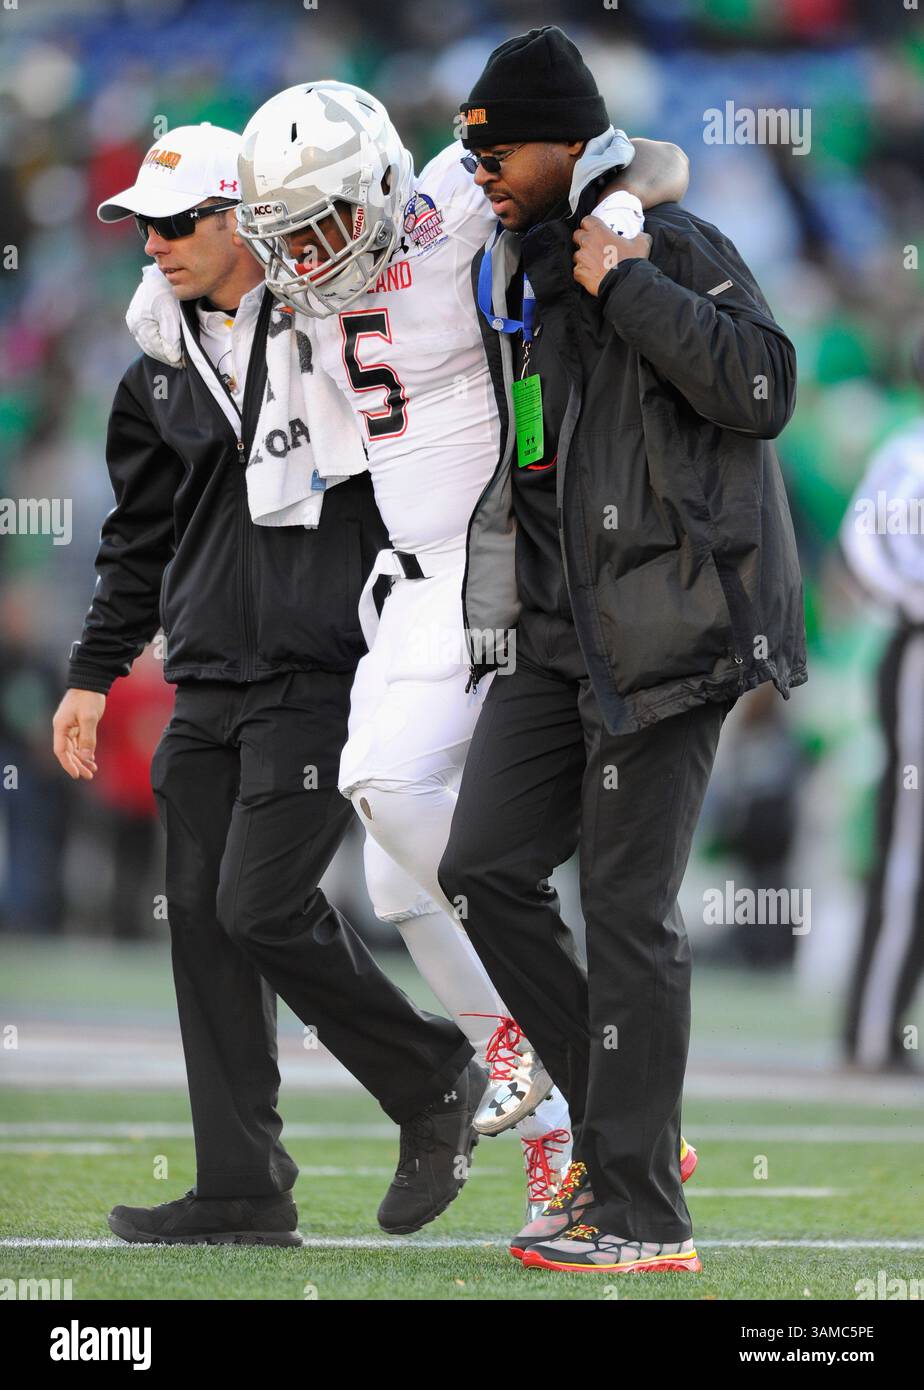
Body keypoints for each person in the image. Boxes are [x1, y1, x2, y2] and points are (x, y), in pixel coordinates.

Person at [231, 79, 696, 1220]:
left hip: (488, 565)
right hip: (404, 579)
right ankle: (566, 1129)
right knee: (396, 879)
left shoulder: (452, 199)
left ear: (384, 185)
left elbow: (654, 157)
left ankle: (557, 1048)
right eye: (288, 233)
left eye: (325, 223)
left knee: (388, 784)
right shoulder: (301, 282)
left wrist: (621, 208)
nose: (307, 254)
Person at [53, 121, 486, 1247]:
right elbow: (138, 538)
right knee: (204, 924)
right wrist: (95, 670)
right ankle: (242, 1186)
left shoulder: (337, 324)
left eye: (176, 222)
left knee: (261, 904)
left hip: (321, 662)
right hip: (204, 673)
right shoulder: (155, 365)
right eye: (142, 227)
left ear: (243, 217)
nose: (154, 244)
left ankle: (437, 1075)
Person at [437, 25, 806, 1275]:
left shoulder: (668, 244)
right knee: (483, 864)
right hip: (562, 633)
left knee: (629, 911)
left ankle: (645, 1215)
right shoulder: (524, 266)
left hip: (673, 628)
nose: (479, 169)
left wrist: (630, 285)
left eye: (496, 150)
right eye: (469, 151)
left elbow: (766, 388)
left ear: (564, 144)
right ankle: (625, 1131)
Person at [840, 361, 924, 1076]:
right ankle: (873, 1031)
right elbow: (864, 541)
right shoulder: (912, 451)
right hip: (920, 650)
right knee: (908, 848)